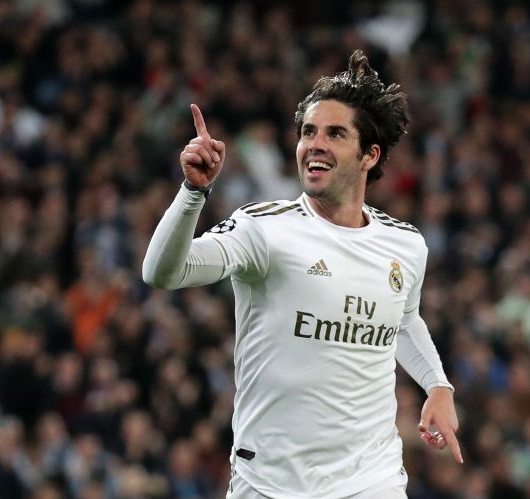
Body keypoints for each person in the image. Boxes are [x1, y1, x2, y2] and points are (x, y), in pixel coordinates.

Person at [143, 50, 462, 498]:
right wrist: (193, 193)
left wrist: (437, 384)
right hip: (270, 481)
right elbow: (163, 273)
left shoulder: (405, 245)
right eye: (308, 132)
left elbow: (403, 320)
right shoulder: (265, 229)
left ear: (370, 155)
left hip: (371, 478)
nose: (315, 143)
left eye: (335, 134)